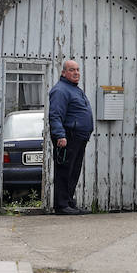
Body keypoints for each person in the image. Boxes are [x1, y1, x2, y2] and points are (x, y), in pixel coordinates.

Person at [47, 58, 94, 215]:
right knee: (65, 170)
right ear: (64, 72)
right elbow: (55, 115)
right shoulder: (60, 90)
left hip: (79, 137)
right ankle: (61, 205)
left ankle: (69, 202)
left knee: (73, 171)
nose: (76, 73)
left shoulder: (74, 89)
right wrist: (60, 135)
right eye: (72, 70)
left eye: (77, 70)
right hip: (68, 136)